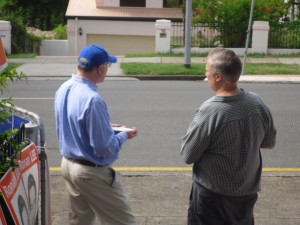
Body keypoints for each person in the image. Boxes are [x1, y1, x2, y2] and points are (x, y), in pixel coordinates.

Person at [180, 48, 277, 225]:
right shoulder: (257, 103)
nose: (205, 76)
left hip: (212, 196)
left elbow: (188, 155)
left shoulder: (210, 111)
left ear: (218, 77)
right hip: (246, 194)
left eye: (207, 72)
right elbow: (269, 142)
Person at [54, 44, 138, 225]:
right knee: (123, 221)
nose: (107, 69)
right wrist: (124, 135)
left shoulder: (64, 88)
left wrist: (105, 126)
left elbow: (72, 122)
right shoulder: (93, 100)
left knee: (80, 221)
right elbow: (103, 148)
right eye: (108, 65)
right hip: (90, 172)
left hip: (68, 164)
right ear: (100, 69)